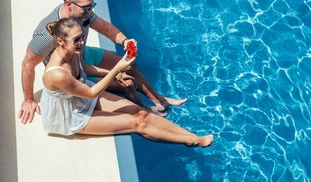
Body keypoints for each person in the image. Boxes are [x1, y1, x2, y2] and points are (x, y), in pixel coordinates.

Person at [19, 0, 187, 124]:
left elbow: (106, 29)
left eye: (91, 5)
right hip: (72, 70)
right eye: (86, 7)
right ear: (69, 4)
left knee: (129, 65)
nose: (90, 10)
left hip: (82, 55)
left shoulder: (81, 14)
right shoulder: (48, 35)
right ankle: (146, 110)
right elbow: (27, 64)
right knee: (126, 83)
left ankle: (160, 101)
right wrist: (28, 100)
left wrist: (125, 40)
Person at [40, 18, 213, 147]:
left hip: (82, 96)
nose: (81, 42)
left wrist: (116, 74)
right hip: (71, 114)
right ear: (60, 41)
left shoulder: (72, 51)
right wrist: (116, 69)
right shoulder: (57, 74)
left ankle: (192, 135)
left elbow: (85, 68)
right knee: (138, 124)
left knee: (141, 112)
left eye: (82, 36)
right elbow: (91, 93)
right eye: (76, 40)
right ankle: (191, 141)